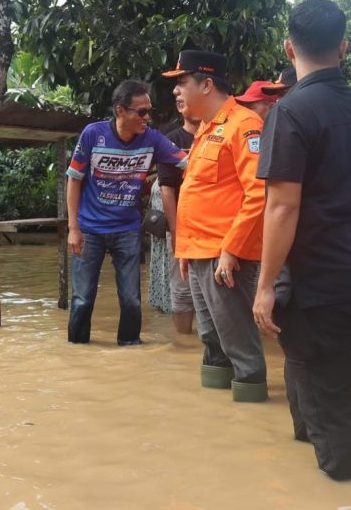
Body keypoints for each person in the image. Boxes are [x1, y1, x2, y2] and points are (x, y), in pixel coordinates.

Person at [253, 0, 351, 480]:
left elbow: (283, 207)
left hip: (320, 285)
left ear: (289, 49)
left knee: (329, 411)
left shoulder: (289, 113)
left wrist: (266, 285)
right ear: (344, 48)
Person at [161, 51, 268, 402]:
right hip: (199, 253)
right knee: (211, 340)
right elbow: (200, 193)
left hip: (226, 256)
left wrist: (231, 249)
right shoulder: (206, 128)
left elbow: (258, 193)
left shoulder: (245, 124)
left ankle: (252, 410)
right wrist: (185, 251)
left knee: (238, 341)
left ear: (206, 84)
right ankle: (219, 420)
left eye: (182, 82)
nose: (177, 91)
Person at [67, 80, 185, 345]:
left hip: (127, 229)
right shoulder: (92, 134)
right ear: (121, 111)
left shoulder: (152, 139)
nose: (148, 118)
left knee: (132, 299)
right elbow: (74, 180)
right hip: (89, 230)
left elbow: (189, 163)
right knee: (83, 298)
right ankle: (76, 352)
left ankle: (130, 347)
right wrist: (73, 229)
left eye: (149, 111)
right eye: (141, 112)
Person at [148, 102, 200, 333]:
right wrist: (177, 232)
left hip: (216, 226)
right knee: (182, 289)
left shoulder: (220, 134)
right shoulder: (172, 141)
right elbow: (167, 189)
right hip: (183, 225)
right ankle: (183, 343)